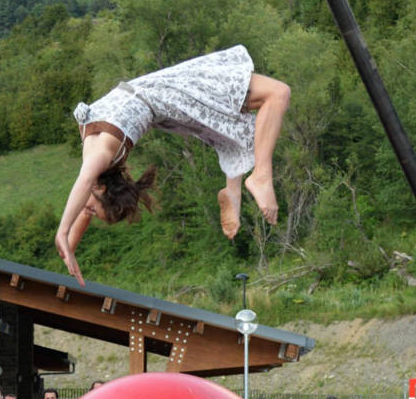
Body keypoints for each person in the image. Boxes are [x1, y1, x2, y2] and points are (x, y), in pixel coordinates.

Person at [56, 46, 290, 286]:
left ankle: (250, 181)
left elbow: (83, 190)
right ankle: (243, 184)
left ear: (102, 191)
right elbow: (83, 207)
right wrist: (69, 251)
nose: (87, 213)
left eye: (93, 210)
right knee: (263, 104)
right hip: (159, 95)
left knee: (267, 101)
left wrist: (63, 234)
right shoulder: (97, 165)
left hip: (165, 95)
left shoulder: (100, 157)